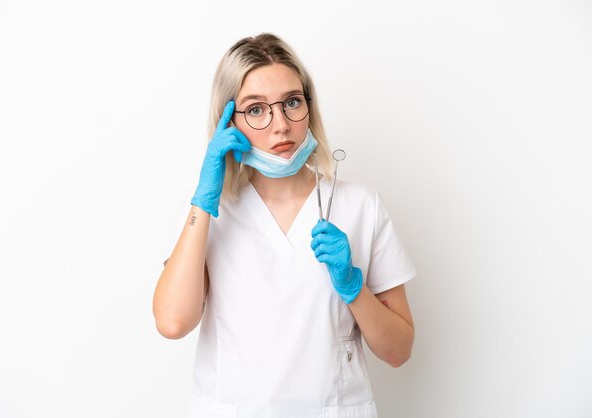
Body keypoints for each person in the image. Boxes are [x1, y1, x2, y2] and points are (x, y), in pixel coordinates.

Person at [152, 33, 418, 418]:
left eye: (292, 102)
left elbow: (399, 351)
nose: (280, 125)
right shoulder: (208, 213)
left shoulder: (360, 205)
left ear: (309, 107)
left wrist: (353, 287)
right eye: (256, 109)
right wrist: (203, 200)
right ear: (229, 120)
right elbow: (173, 322)